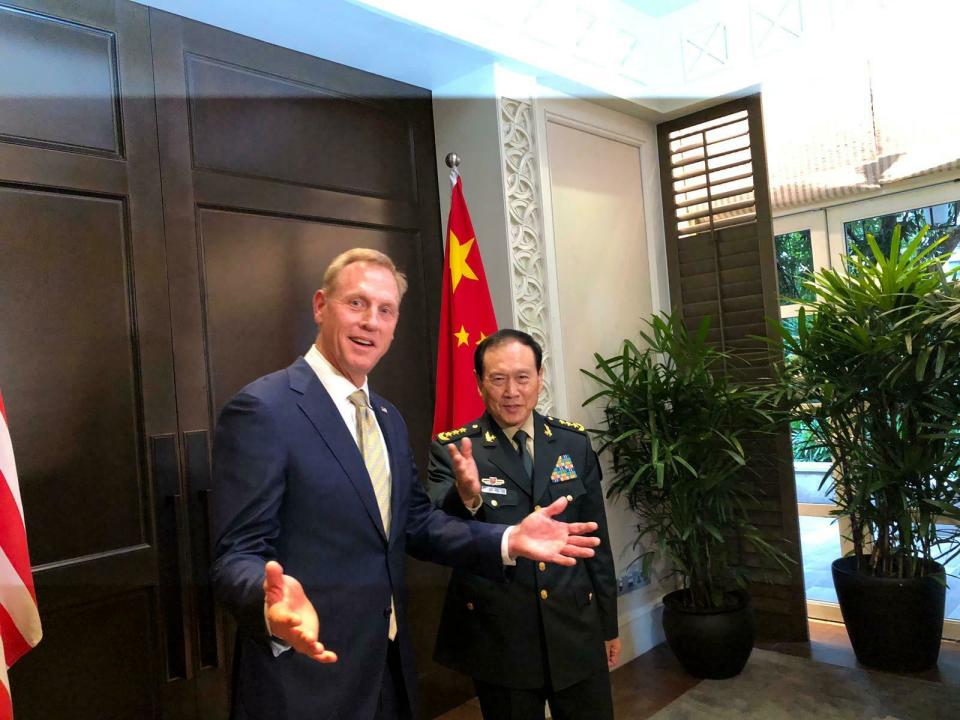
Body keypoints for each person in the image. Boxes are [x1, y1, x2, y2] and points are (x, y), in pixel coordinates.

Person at [210, 249, 601, 720]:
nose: (370, 321)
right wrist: (268, 605)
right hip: (304, 678)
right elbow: (237, 553)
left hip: (389, 669)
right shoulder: (264, 409)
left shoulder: (388, 419)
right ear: (320, 306)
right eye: (356, 303)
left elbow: (416, 523)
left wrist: (507, 538)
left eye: (385, 310)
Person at [429, 329, 620, 720]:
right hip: (503, 638)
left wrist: (608, 623)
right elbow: (434, 530)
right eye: (498, 379)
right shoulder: (456, 450)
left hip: (575, 630)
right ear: (480, 383)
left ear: (540, 377)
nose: (511, 391)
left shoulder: (573, 444)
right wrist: (465, 495)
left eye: (522, 377)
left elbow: (596, 542)